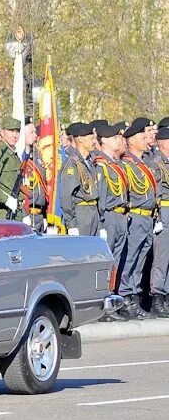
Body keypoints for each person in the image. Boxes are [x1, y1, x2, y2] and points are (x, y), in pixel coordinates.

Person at [119, 118, 157, 319]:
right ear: (132, 140)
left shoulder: (143, 163)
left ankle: (133, 295)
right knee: (130, 257)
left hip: (147, 217)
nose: (147, 139)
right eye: (142, 136)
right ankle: (125, 296)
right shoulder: (127, 164)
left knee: (140, 258)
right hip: (135, 216)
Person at [92, 122, 131, 318]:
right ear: (104, 140)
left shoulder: (115, 164)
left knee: (117, 260)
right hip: (108, 216)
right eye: (115, 136)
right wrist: (100, 224)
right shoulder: (101, 165)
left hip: (120, 214)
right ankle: (104, 304)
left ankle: (114, 298)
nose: (119, 139)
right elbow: (100, 197)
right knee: (107, 262)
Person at [59, 123, 100, 237]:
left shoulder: (89, 162)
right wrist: (71, 224)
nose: (94, 142)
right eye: (91, 138)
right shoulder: (72, 164)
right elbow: (67, 196)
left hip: (93, 213)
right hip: (82, 214)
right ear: (80, 140)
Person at [150, 127, 169, 317]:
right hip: (164, 211)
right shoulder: (156, 164)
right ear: (163, 143)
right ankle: (157, 296)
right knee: (161, 257)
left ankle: (166, 296)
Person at [0, 118, 23, 220]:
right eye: (11, 131)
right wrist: (5, 199)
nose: (15, 135)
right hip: (1, 211)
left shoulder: (14, 155)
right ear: (2, 132)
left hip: (15, 211)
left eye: (17, 131)